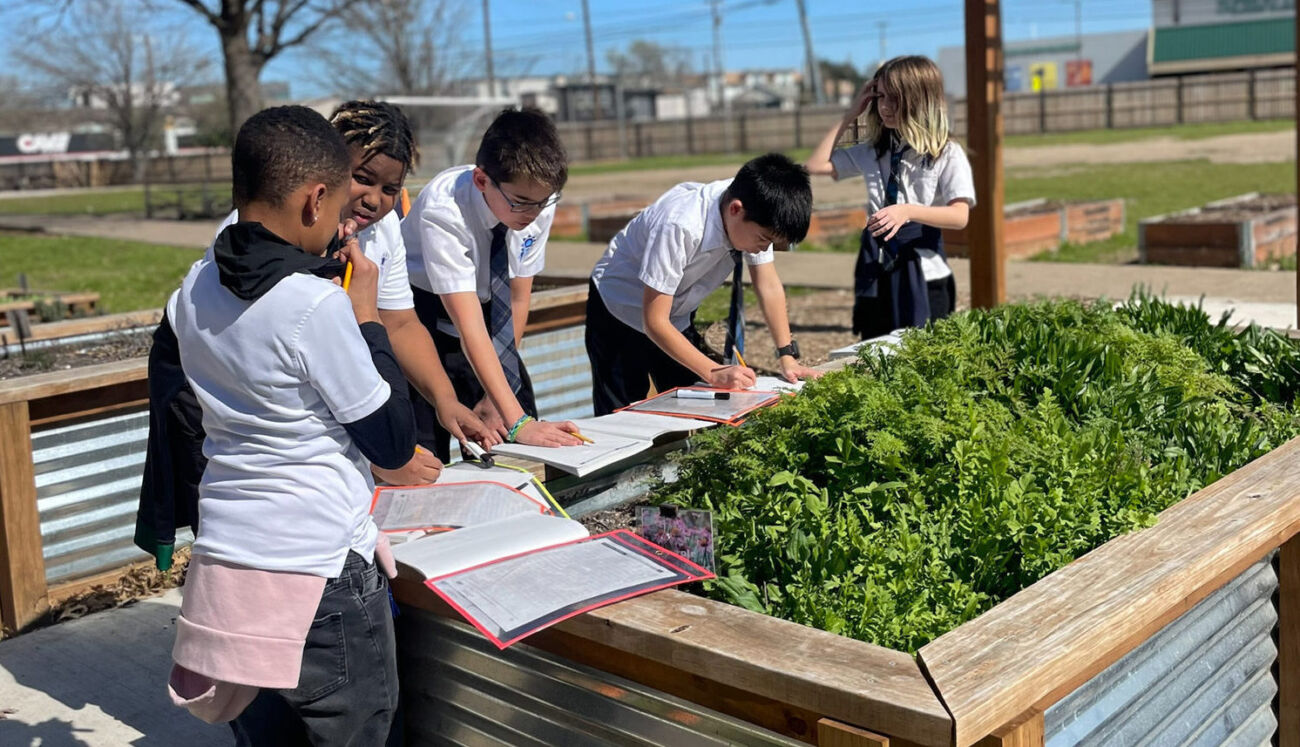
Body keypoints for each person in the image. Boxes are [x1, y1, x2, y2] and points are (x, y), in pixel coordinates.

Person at [164, 105, 412, 745]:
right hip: (318, 568)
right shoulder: (313, 305)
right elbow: (389, 441)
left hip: (230, 561)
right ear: (314, 199)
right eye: (335, 211)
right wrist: (367, 317)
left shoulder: (190, 289)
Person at [402, 107, 581, 458]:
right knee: (426, 452)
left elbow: (516, 300)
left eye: (543, 203)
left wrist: (498, 400)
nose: (533, 215)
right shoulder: (444, 210)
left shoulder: (534, 202)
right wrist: (517, 422)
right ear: (482, 180)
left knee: (522, 429)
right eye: (522, 203)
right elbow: (467, 329)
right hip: (424, 316)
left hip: (490, 313)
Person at [585, 153, 822, 416]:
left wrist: (787, 356)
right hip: (620, 309)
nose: (764, 249)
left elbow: (767, 285)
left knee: (693, 407)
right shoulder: (680, 226)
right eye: (764, 240)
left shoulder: (757, 207)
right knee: (622, 415)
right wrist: (713, 371)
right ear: (735, 209)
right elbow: (654, 322)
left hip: (675, 314)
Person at [805, 55, 975, 339]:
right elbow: (816, 165)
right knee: (876, 356)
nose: (884, 106)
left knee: (924, 361)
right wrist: (850, 113)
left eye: (895, 98)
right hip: (877, 274)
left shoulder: (946, 153)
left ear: (919, 99)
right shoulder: (875, 150)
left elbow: (960, 216)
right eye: (880, 96)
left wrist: (907, 211)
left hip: (926, 277)